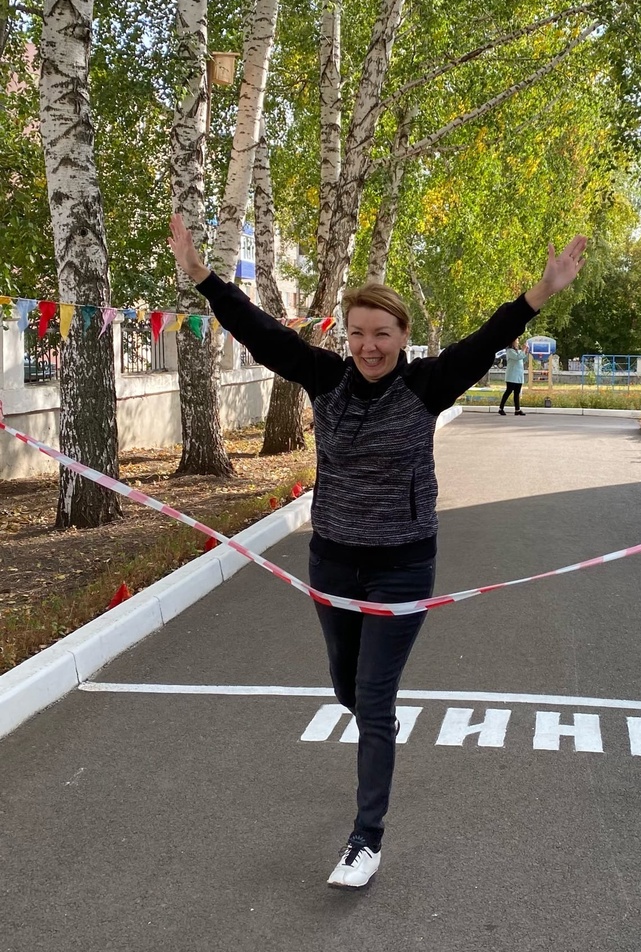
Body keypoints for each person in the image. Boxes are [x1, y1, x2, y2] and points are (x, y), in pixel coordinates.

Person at [167, 214, 586, 888]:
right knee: (347, 688)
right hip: (332, 560)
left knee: (374, 694)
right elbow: (263, 333)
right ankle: (376, 736)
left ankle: (366, 838)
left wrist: (541, 293)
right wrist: (203, 278)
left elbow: (486, 340)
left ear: (402, 336)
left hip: (403, 564)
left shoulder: (426, 385)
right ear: (346, 335)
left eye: (382, 333)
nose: (368, 345)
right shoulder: (324, 377)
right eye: (358, 332)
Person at [498, 338, 527, 416]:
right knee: (508, 391)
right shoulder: (510, 351)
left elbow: (523, 359)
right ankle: (501, 408)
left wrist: (526, 352)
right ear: (512, 342)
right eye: (516, 340)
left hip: (519, 375)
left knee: (517, 393)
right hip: (512, 375)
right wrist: (523, 350)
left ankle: (517, 410)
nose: (518, 342)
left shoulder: (519, 351)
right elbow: (517, 357)